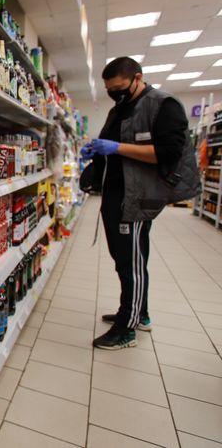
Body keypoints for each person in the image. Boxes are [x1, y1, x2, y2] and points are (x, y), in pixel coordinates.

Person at [81, 57, 200, 350]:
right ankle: (138, 313)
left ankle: (127, 328)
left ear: (137, 78)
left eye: (119, 88)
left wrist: (118, 148)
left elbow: (169, 153)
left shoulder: (164, 104)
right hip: (117, 192)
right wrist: (96, 149)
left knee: (129, 263)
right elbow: (112, 143)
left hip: (136, 196)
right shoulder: (120, 108)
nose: (115, 94)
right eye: (110, 90)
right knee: (129, 257)